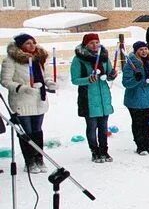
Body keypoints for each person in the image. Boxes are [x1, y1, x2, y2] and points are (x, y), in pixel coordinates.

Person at [2, 33, 57, 172]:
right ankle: (30, 161)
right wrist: (22, 88)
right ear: (20, 46)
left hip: (38, 100)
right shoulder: (11, 60)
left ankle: (39, 158)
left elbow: (47, 75)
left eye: (33, 42)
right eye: (28, 43)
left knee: (37, 131)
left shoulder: (39, 58)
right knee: (27, 132)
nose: (32, 45)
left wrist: (50, 83)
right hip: (22, 101)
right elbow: (5, 81)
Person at [70, 33, 116, 163]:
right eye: (91, 43)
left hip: (103, 98)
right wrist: (88, 79)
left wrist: (111, 75)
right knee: (92, 127)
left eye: (97, 42)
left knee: (103, 127)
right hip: (88, 98)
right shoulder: (78, 59)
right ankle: (95, 151)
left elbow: (108, 74)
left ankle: (104, 150)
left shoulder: (104, 57)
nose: (95, 45)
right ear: (85, 45)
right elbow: (75, 79)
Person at [121, 41, 149, 155]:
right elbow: (126, 83)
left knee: (146, 122)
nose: (144, 51)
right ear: (136, 51)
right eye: (140, 50)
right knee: (138, 122)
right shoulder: (130, 64)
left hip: (148, 97)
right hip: (135, 98)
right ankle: (140, 146)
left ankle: (148, 144)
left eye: (145, 49)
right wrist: (137, 79)